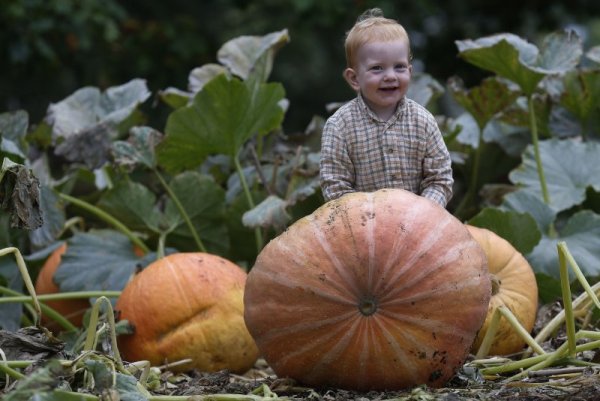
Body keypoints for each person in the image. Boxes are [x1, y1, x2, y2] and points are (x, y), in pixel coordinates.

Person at [319, 8, 453, 207]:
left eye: (399, 67)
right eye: (377, 68)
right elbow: (335, 186)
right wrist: (369, 217)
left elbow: (440, 179)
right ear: (354, 78)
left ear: (409, 71)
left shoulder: (423, 121)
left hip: (418, 226)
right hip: (363, 228)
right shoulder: (339, 127)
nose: (390, 76)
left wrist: (423, 211)